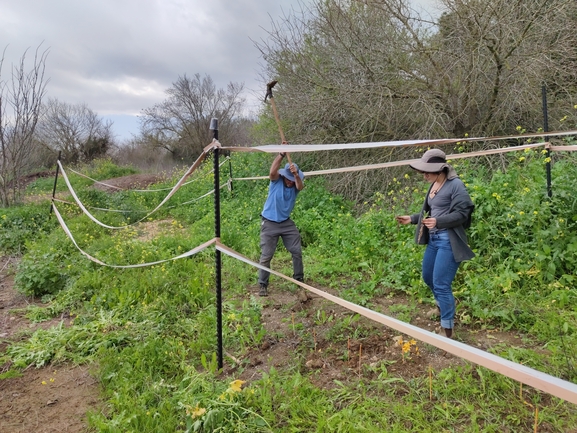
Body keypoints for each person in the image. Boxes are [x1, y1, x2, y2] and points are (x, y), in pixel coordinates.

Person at [395, 149, 474, 338]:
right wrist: (413, 219)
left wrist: (440, 222)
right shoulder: (433, 185)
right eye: (423, 171)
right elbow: (434, 212)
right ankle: (442, 306)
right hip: (434, 239)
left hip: (448, 240)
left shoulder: (456, 185)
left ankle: (447, 330)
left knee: (441, 283)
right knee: (428, 277)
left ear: (441, 169)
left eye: (428, 171)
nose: (424, 175)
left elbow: (463, 214)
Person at [258, 151, 305, 297]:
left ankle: (299, 280)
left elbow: (300, 186)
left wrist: (296, 175)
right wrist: (281, 154)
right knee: (266, 256)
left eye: (292, 179)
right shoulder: (276, 181)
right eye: (289, 178)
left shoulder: (295, 186)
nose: (290, 181)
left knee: (296, 251)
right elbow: (272, 172)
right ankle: (262, 284)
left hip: (286, 223)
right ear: (284, 175)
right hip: (269, 222)